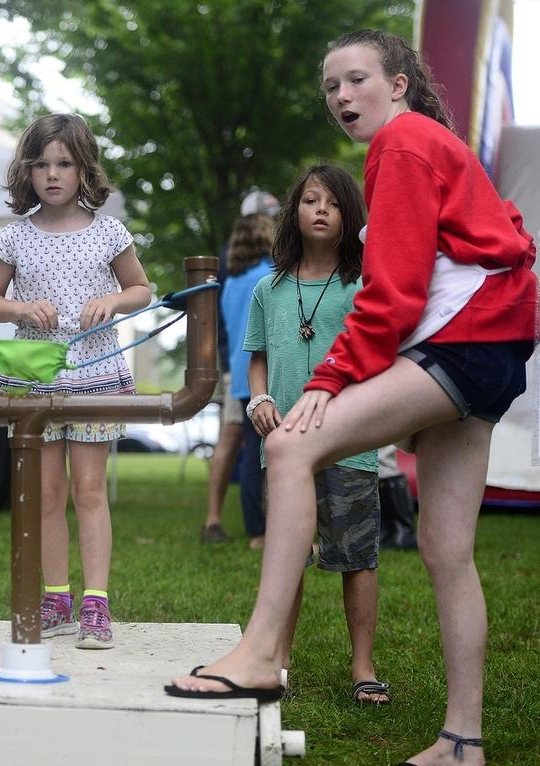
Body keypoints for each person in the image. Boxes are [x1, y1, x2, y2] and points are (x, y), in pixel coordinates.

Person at [167, 29, 536, 766]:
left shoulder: (402, 144)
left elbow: (391, 294)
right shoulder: (431, 143)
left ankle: (261, 654)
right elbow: (500, 236)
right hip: (497, 345)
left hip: (467, 342)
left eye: (357, 79)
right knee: (446, 549)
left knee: (289, 445)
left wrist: (328, 381)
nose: (341, 95)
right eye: (331, 85)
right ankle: (463, 741)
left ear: (398, 84)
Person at [0, 113, 150, 649]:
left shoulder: (109, 232)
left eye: (64, 164)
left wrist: (113, 300)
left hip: (94, 373)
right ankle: (56, 596)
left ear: (84, 170)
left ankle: (96, 602)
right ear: (26, 172)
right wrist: (20, 309)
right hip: (34, 377)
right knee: (46, 492)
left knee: (88, 490)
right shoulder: (13, 238)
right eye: (41, 164)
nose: (52, 174)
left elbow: (142, 289)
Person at [243, 165, 389, 703]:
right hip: (285, 446)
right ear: (294, 213)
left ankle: (363, 666)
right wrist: (259, 399)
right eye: (310, 200)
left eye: (333, 202)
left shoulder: (363, 287)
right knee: (288, 557)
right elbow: (257, 358)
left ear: (351, 216)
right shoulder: (269, 288)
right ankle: (277, 660)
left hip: (350, 442)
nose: (321, 209)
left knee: (357, 557)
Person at [201, 192, 280, 546]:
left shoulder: (231, 282)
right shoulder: (272, 276)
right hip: (267, 371)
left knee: (250, 451)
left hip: (239, 375)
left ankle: (255, 529)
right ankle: (264, 529)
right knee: (268, 454)